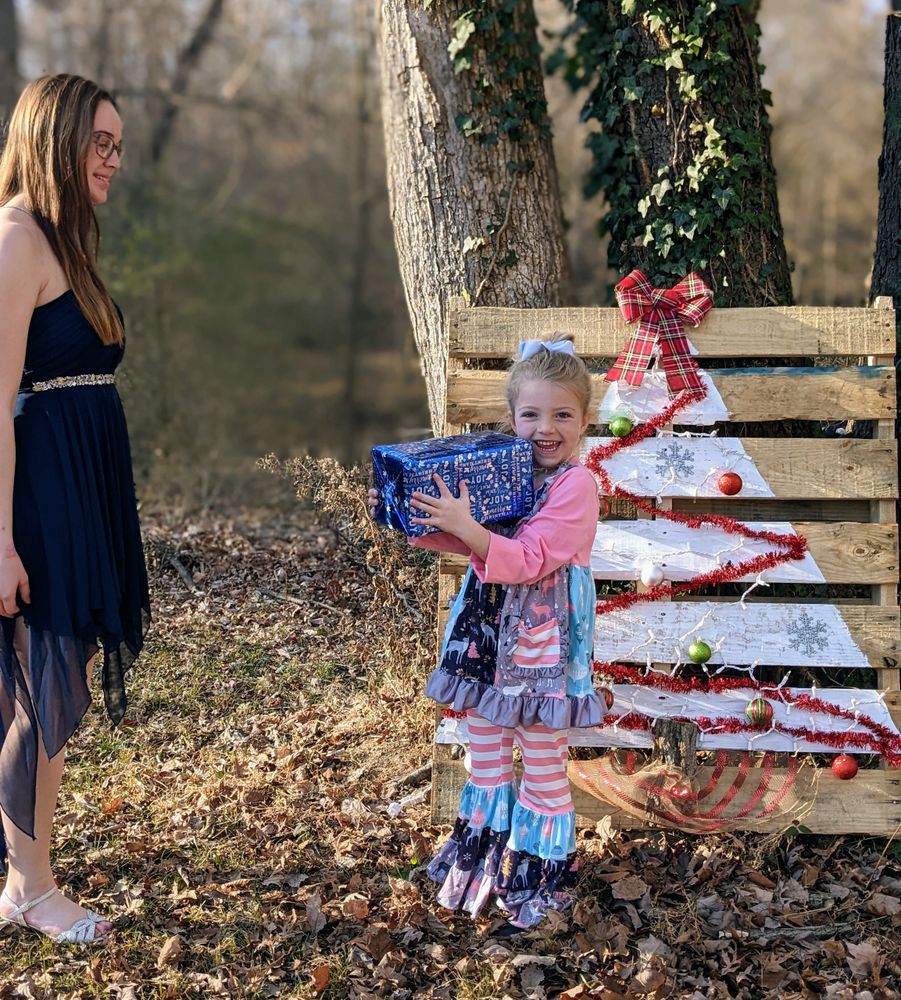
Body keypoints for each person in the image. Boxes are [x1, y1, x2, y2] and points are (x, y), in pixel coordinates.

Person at [369, 338, 604, 930]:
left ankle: (540, 876)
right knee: (488, 758)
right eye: (530, 414)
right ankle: (483, 865)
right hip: (483, 638)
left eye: (562, 415)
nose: (544, 428)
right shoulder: (508, 473)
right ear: (511, 418)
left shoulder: (576, 487)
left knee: (543, 764)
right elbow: (466, 538)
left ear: (584, 421)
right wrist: (412, 515)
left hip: (539, 648)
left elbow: (526, 559)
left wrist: (466, 526)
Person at [0, 74, 150, 944]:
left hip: (78, 489)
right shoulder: (16, 239)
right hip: (39, 498)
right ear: (54, 135)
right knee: (44, 692)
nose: (114, 160)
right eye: (101, 142)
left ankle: (27, 875)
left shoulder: (63, 242)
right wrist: (3, 542)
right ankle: (30, 885)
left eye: (119, 145)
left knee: (50, 689)